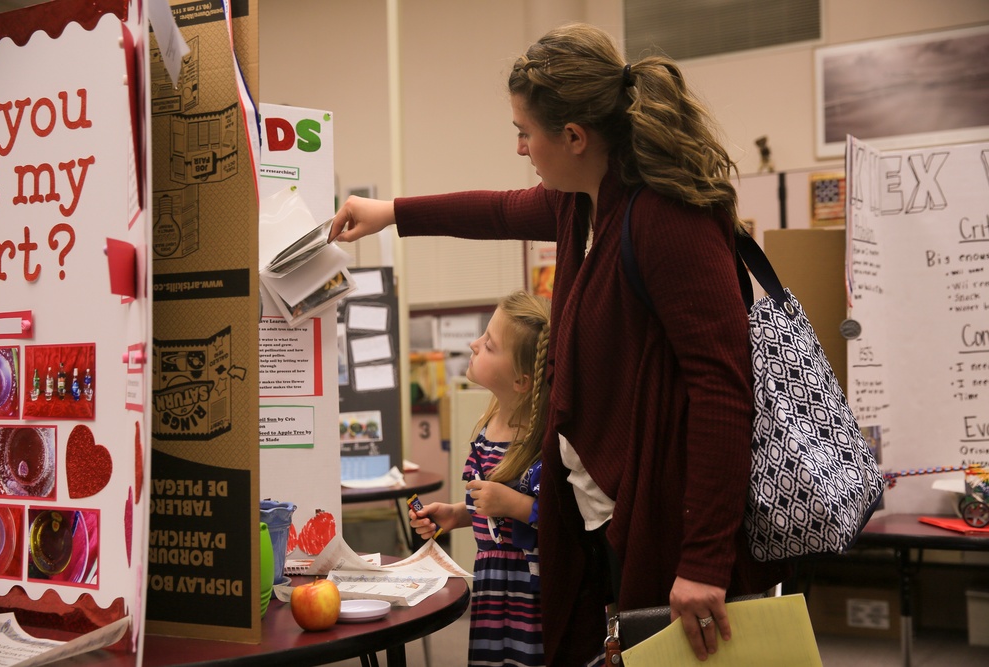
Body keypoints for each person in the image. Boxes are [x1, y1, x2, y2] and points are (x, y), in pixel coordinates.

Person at [330, 22, 788, 666]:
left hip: (665, 519)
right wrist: (391, 213)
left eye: (525, 132)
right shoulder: (583, 202)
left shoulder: (665, 218)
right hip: (599, 517)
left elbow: (722, 390)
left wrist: (704, 560)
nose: (520, 148)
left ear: (574, 137)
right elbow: (497, 211)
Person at [409, 290, 551, 667]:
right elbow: (492, 511)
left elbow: (567, 521)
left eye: (488, 344)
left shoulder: (544, 442)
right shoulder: (490, 423)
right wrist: (458, 514)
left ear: (521, 381)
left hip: (529, 595)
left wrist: (515, 505)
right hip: (492, 587)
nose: (473, 344)